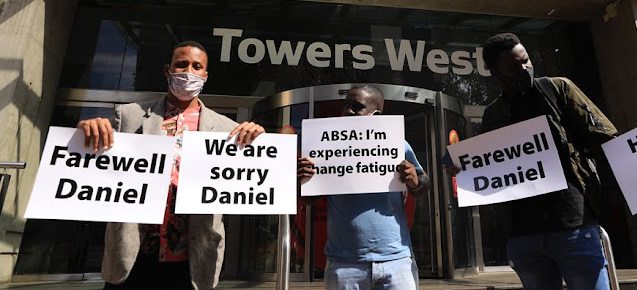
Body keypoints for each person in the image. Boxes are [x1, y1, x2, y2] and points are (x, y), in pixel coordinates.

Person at [448, 33, 637, 290]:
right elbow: (488, 167)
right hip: (523, 238)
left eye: (526, 61)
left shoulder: (558, 89)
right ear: (496, 73)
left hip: (574, 226)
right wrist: (464, 168)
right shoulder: (493, 114)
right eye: (514, 67)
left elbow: (608, 143)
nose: (525, 69)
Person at [77, 41, 265, 290]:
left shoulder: (228, 130)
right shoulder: (130, 116)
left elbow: (256, 176)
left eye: (197, 66)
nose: (189, 71)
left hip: (192, 263)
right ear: (168, 70)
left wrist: (260, 138)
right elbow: (89, 158)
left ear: (205, 76)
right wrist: (84, 131)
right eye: (181, 64)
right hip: (133, 257)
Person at [297, 86, 430, 290]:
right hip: (344, 264)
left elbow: (423, 185)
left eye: (357, 107)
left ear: (375, 114)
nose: (348, 111)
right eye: (346, 106)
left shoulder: (398, 144)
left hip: (396, 260)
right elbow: (309, 200)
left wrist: (414, 180)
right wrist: (303, 181)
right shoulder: (325, 147)